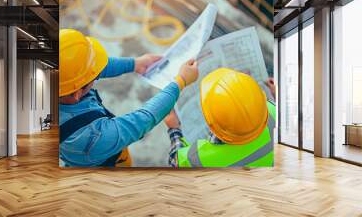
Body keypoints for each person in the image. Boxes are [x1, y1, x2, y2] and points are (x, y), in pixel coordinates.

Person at [59, 29, 198, 167]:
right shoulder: (92, 138)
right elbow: (143, 119)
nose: (96, 76)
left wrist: (135, 64)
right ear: (77, 93)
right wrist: (180, 82)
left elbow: (94, 69)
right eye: (93, 78)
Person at [164, 68, 276, 167]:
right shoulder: (275, 111)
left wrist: (174, 128)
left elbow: (175, 161)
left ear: (212, 127)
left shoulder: (198, 159)